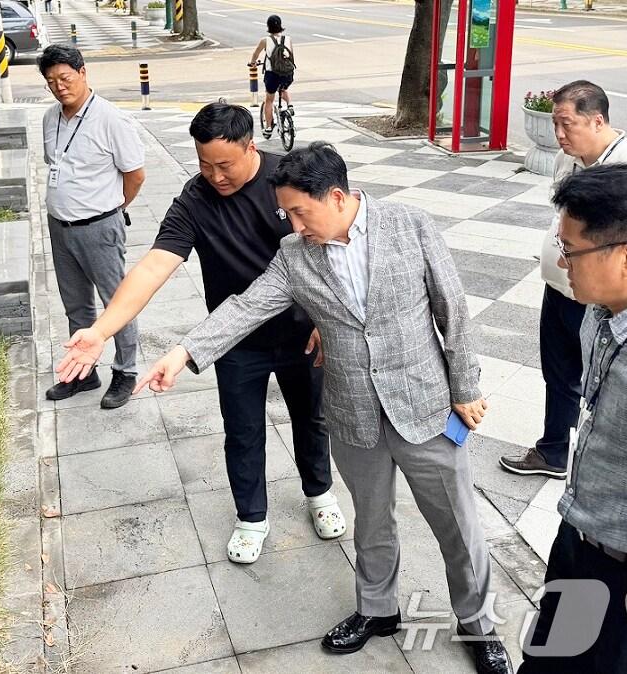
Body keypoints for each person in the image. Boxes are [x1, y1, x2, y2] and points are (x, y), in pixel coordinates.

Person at [136, 142, 511, 674]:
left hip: (425, 407)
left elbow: (453, 309)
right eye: (285, 214)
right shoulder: (295, 254)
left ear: (336, 197)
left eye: (299, 212)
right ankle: (377, 611)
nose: (292, 225)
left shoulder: (409, 225)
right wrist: (183, 353)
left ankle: (478, 625)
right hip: (353, 411)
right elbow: (246, 307)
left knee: (458, 525)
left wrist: (466, 387)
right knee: (372, 521)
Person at [56, 103, 345, 565]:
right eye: (203, 163)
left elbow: (332, 249)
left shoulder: (286, 183)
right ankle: (251, 518)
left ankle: (320, 494)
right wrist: (100, 330)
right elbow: (154, 266)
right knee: (243, 431)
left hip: (302, 333)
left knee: (313, 419)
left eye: (224, 164)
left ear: (251, 147)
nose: (215, 175)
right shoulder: (194, 199)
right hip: (232, 339)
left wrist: (332, 323)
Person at [518, 164, 627, 673]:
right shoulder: (599, 315)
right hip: (579, 531)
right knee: (545, 656)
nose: (561, 262)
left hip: (618, 569)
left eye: (570, 250)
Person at [500, 80, 627, 480]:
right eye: (555, 124)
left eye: (567, 124)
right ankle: (555, 451)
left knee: (597, 379)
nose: (559, 135)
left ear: (597, 120)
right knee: (558, 374)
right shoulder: (565, 160)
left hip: (597, 297)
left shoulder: (621, 168)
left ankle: (590, 462)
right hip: (559, 286)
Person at [37, 44, 146, 409]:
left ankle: (125, 372)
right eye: (51, 81)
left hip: (99, 226)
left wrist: (114, 211)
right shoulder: (50, 118)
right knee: (75, 306)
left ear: (83, 73)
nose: (59, 87)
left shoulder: (111, 119)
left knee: (117, 303)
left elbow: (135, 175)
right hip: (60, 225)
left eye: (65, 78)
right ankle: (82, 373)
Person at [249, 14, 295, 140]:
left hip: (272, 74)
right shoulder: (288, 39)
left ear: (268, 26)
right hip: (287, 73)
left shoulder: (265, 41)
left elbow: (255, 54)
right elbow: (291, 55)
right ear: (281, 25)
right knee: (284, 89)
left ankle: (268, 127)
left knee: (269, 99)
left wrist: (253, 63)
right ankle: (290, 105)